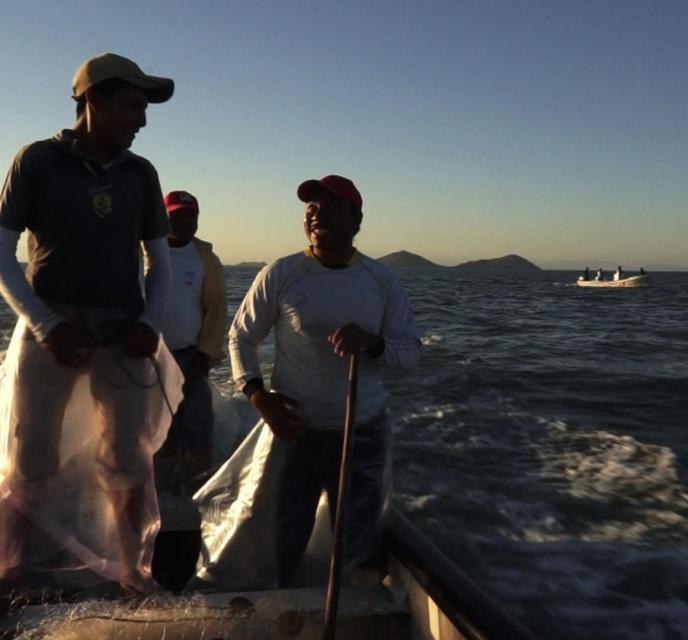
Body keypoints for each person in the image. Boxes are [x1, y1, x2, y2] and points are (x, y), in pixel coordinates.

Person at [0, 53, 178, 595]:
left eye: (143, 110)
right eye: (131, 106)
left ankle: (133, 576)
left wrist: (150, 322)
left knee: (128, 460)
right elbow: (2, 255)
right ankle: (8, 571)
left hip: (124, 331)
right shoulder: (36, 161)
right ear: (91, 101)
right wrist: (47, 324)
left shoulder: (141, 173)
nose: (141, 121)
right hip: (48, 329)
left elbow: (160, 264)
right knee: (29, 460)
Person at [229, 175, 420, 587]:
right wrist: (258, 396)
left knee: (359, 545)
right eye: (311, 208)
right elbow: (241, 336)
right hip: (293, 431)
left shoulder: (381, 280)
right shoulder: (281, 273)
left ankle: (354, 613)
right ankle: (286, 615)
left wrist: (370, 343)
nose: (317, 214)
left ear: (357, 220)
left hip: (361, 432)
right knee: (283, 538)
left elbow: (410, 351)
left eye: (331, 205)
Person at [156, 190, 227, 495]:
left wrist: (206, 352)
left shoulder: (206, 259)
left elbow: (218, 309)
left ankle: (197, 498)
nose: (183, 220)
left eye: (189, 215)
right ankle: (158, 495)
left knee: (198, 426)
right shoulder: (143, 252)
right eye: (176, 214)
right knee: (157, 431)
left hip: (191, 358)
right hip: (149, 359)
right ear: (163, 216)